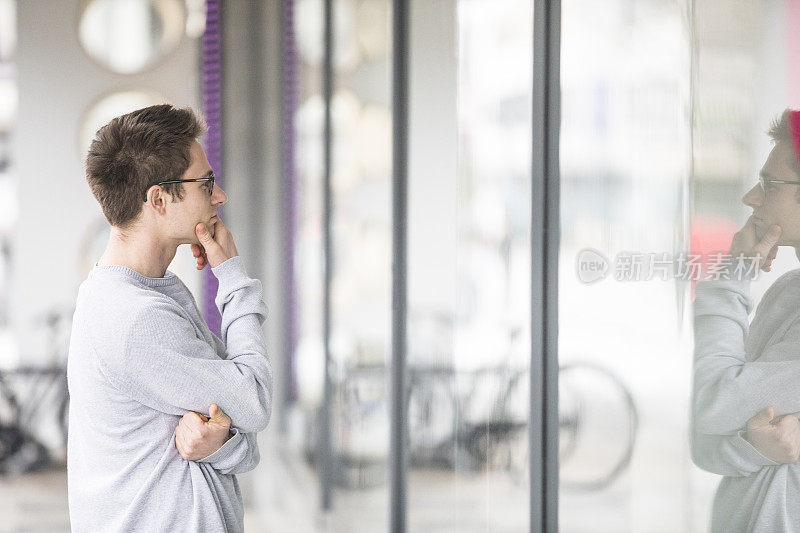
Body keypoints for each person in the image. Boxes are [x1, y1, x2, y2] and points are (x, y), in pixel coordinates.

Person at [67, 104, 273, 532]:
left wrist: (224, 444)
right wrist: (232, 278)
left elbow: (238, 433)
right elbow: (253, 398)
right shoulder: (138, 320)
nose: (220, 197)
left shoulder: (147, 292)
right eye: (206, 183)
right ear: (158, 200)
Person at [692, 108, 800, 532]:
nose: (751, 198)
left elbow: (712, 404)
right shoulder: (787, 294)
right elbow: (701, 439)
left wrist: (732, 279)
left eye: (770, 185)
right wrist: (752, 448)